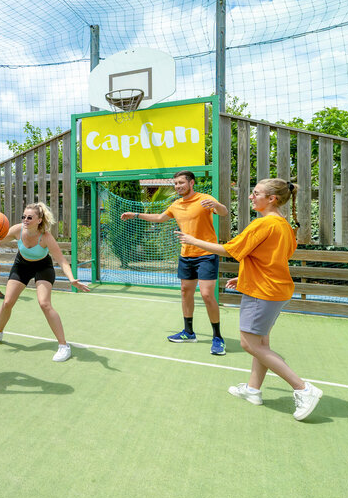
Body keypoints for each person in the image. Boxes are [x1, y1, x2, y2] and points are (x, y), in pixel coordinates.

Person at [176, 178, 323, 421]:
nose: (251, 197)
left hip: (263, 292)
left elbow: (230, 249)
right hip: (275, 289)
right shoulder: (283, 225)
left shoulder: (263, 224)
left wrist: (193, 241)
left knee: (250, 344)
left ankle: (303, 389)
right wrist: (243, 277)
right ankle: (253, 389)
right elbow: (270, 257)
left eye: (256, 193)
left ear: (271, 199)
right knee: (261, 343)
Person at [121, 170, 228, 355]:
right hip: (186, 255)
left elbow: (224, 212)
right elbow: (160, 218)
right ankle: (188, 332)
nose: (178, 186)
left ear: (191, 183)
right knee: (185, 292)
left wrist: (217, 204)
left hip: (206, 254)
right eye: (176, 184)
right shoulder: (176, 204)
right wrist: (136, 215)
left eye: (181, 183)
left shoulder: (204, 199)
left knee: (207, 295)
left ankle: (217, 337)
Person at [0, 202, 89, 361]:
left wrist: (72, 279)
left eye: (29, 217)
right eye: (23, 216)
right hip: (21, 266)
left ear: (39, 220)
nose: (25, 219)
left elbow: (62, 261)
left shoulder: (45, 237)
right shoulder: (18, 230)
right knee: (7, 302)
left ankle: (64, 346)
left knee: (44, 303)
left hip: (42, 267)